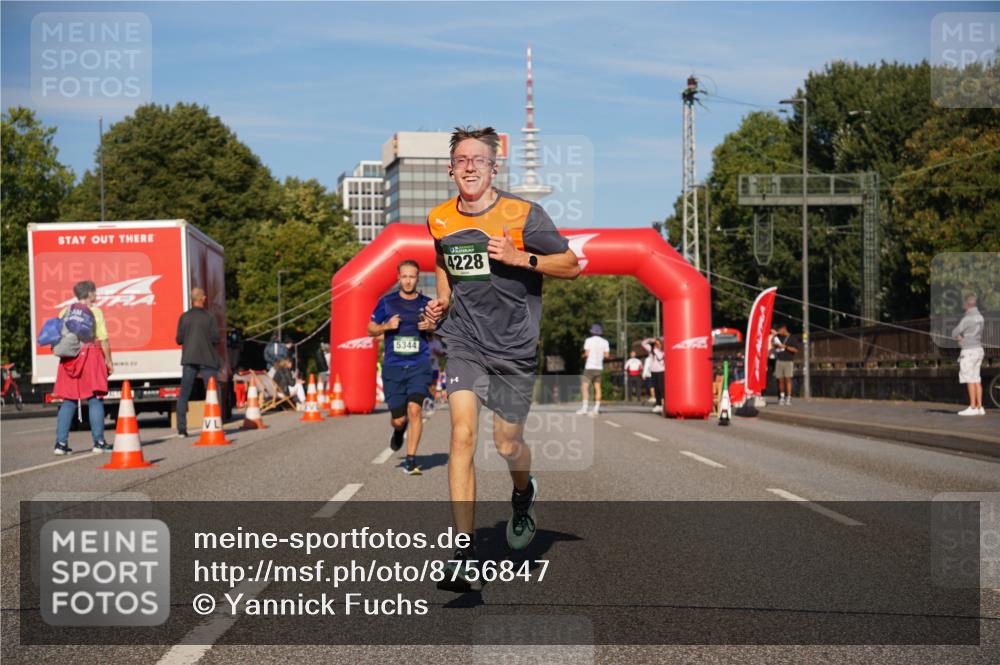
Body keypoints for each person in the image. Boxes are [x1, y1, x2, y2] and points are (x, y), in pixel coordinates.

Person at [423, 126, 580, 593]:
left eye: (479, 159)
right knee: (461, 435)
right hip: (465, 342)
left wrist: (520, 257)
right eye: (462, 160)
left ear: (494, 168)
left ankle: (522, 492)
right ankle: (464, 553)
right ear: (451, 170)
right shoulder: (439, 219)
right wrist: (441, 303)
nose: (470, 166)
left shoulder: (524, 214)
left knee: (507, 444)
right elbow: (444, 265)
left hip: (513, 347)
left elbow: (572, 266)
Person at [368, 259, 436, 475]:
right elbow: (370, 328)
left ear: (417, 278)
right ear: (398, 278)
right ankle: (399, 431)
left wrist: (431, 326)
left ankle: (410, 458)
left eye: (412, 276)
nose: (408, 280)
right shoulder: (386, 302)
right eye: (404, 276)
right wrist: (386, 326)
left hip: (419, 364)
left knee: (415, 410)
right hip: (393, 366)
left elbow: (438, 331)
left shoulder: (427, 303)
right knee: (399, 419)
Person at [52, 280, 114, 455]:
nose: (96, 294)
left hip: (69, 359)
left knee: (69, 400)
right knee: (95, 399)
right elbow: (103, 339)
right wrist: (109, 360)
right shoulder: (95, 312)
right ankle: (99, 442)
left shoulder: (65, 311)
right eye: (94, 292)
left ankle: (60, 444)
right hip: (91, 356)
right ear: (89, 294)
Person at [175, 288, 221, 437]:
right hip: (207, 359)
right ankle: (215, 424)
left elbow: (179, 340)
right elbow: (215, 339)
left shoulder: (184, 317)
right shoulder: (209, 317)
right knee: (213, 393)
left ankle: (182, 429)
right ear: (202, 299)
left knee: (184, 394)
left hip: (189, 359)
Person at [953, 294, 985, 416]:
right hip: (978, 349)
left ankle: (972, 406)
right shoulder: (980, 317)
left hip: (969, 351)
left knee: (970, 378)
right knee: (977, 378)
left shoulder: (967, 318)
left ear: (967, 304)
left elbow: (955, 332)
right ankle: (979, 407)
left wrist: (960, 339)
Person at [577, 323, 610, 416]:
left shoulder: (588, 340)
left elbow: (586, 354)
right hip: (599, 367)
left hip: (589, 367)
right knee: (597, 387)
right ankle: (596, 408)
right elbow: (607, 355)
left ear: (592, 332)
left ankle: (585, 407)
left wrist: (583, 356)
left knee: (584, 387)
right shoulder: (605, 342)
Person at [773, 323, 800, 405]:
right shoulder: (778, 337)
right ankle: (782, 397)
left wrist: (786, 347)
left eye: (780, 330)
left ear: (784, 328)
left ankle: (789, 397)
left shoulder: (792, 338)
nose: (779, 332)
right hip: (779, 360)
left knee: (788, 379)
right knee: (780, 380)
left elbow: (795, 350)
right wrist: (775, 344)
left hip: (788, 361)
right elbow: (773, 345)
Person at [641, 337, 665, 414]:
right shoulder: (651, 350)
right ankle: (658, 404)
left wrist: (655, 349)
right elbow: (643, 343)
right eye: (656, 343)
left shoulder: (662, 351)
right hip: (653, 371)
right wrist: (650, 340)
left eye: (658, 343)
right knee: (656, 388)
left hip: (661, 371)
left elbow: (660, 357)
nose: (656, 344)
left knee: (661, 388)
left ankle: (664, 403)